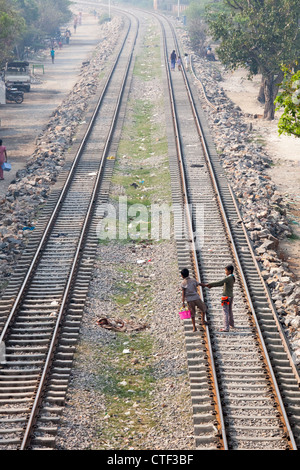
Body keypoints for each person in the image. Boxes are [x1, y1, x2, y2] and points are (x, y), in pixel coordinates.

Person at [204, 264, 235, 332]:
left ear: (229, 271)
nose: (225, 272)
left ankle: (226, 328)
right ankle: (231, 324)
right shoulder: (232, 277)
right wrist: (211, 286)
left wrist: (210, 284)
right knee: (229, 310)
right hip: (231, 296)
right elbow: (222, 284)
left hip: (226, 297)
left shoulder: (228, 278)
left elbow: (220, 282)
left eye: (226, 271)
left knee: (225, 312)